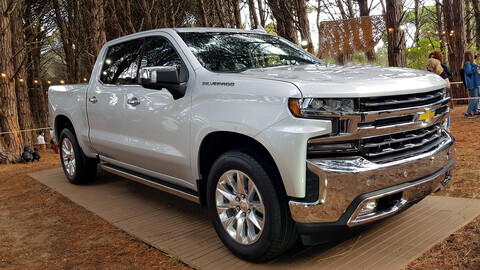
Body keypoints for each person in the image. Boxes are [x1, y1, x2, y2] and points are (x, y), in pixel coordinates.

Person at [463, 50, 480, 118]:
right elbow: (468, 72)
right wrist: (475, 67)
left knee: (477, 97)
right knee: (474, 98)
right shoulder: (467, 63)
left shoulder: (470, 63)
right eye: (473, 55)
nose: (474, 56)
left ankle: (475, 111)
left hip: (476, 83)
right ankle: (468, 112)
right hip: (472, 84)